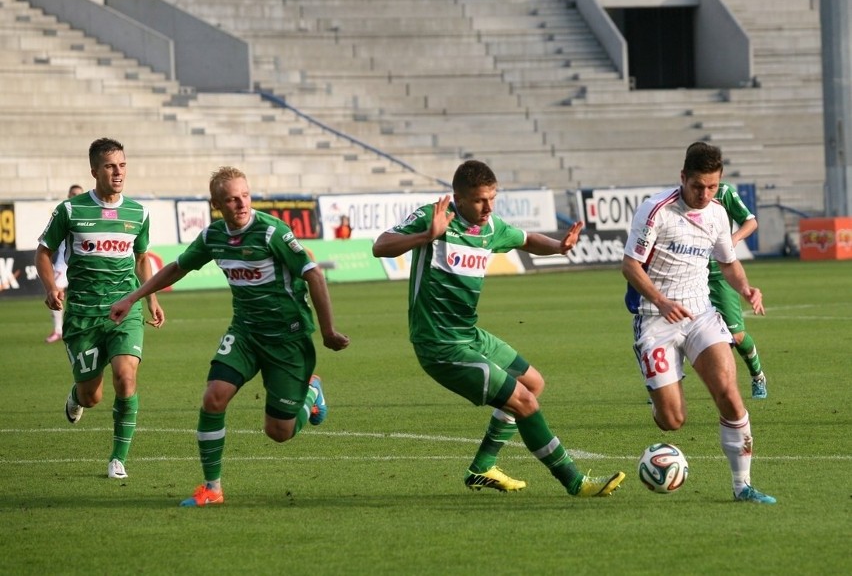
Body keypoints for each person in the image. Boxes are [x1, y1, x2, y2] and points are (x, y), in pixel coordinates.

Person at [372, 160, 625, 498]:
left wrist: (559, 246)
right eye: (479, 200)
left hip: (469, 334)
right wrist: (425, 236)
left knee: (532, 383)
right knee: (524, 403)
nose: (488, 207)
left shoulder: (490, 227)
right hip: (440, 344)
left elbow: (526, 239)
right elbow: (380, 246)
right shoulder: (434, 218)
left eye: (493, 198)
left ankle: (481, 468)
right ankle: (576, 482)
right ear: (458, 199)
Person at [109, 166, 350, 507]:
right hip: (245, 334)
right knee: (213, 397)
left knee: (278, 433)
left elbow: (314, 276)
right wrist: (133, 297)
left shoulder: (272, 233)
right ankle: (212, 489)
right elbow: (178, 267)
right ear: (217, 204)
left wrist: (327, 332)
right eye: (232, 200)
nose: (241, 204)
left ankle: (311, 390)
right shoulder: (213, 236)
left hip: (286, 338)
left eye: (245, 196)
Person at [622, 142, 776, 504]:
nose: (705, 194)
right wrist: (660, 301)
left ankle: (742, 486)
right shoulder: (655, 210)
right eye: (697, 186)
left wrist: (745, 288)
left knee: (730, 395)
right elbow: (630, 265)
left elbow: (727, 261)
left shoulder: (718, 214)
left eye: (712, 186)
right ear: (683, 178)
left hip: (701, 314)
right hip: (654, 319)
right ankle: (658, 388)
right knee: (672, 421)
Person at [35, 138, 164, 480]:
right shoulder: (71, 211)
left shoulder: (139, 212)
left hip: (125, 307)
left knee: (126, 376)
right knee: (92, 396)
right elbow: (43, 253)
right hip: (83, 314)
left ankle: (117, 459)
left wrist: (150, 298)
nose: (118, 171)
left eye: (122, 164)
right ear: (94, 171)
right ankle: (77, 395)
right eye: (110, 166)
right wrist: (51, 288)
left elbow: (140, 258)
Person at [709, 182, 768, 399]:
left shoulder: (724, 192)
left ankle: (758, 376)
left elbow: (750, 222)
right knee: (677, 331)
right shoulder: (682, 197)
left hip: (720, 275)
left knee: (737, 335)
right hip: (690, 274)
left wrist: (732, 239)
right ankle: (664, 387)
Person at [44, 183, 85, 343]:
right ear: (68, 196)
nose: (76, 197)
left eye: (79, 194)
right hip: (63, 263)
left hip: (81, 263)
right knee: (56, 293)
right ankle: (57, 330)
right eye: (73, 194)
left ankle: (81, 328)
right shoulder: (63, 212)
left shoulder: (87, 215)